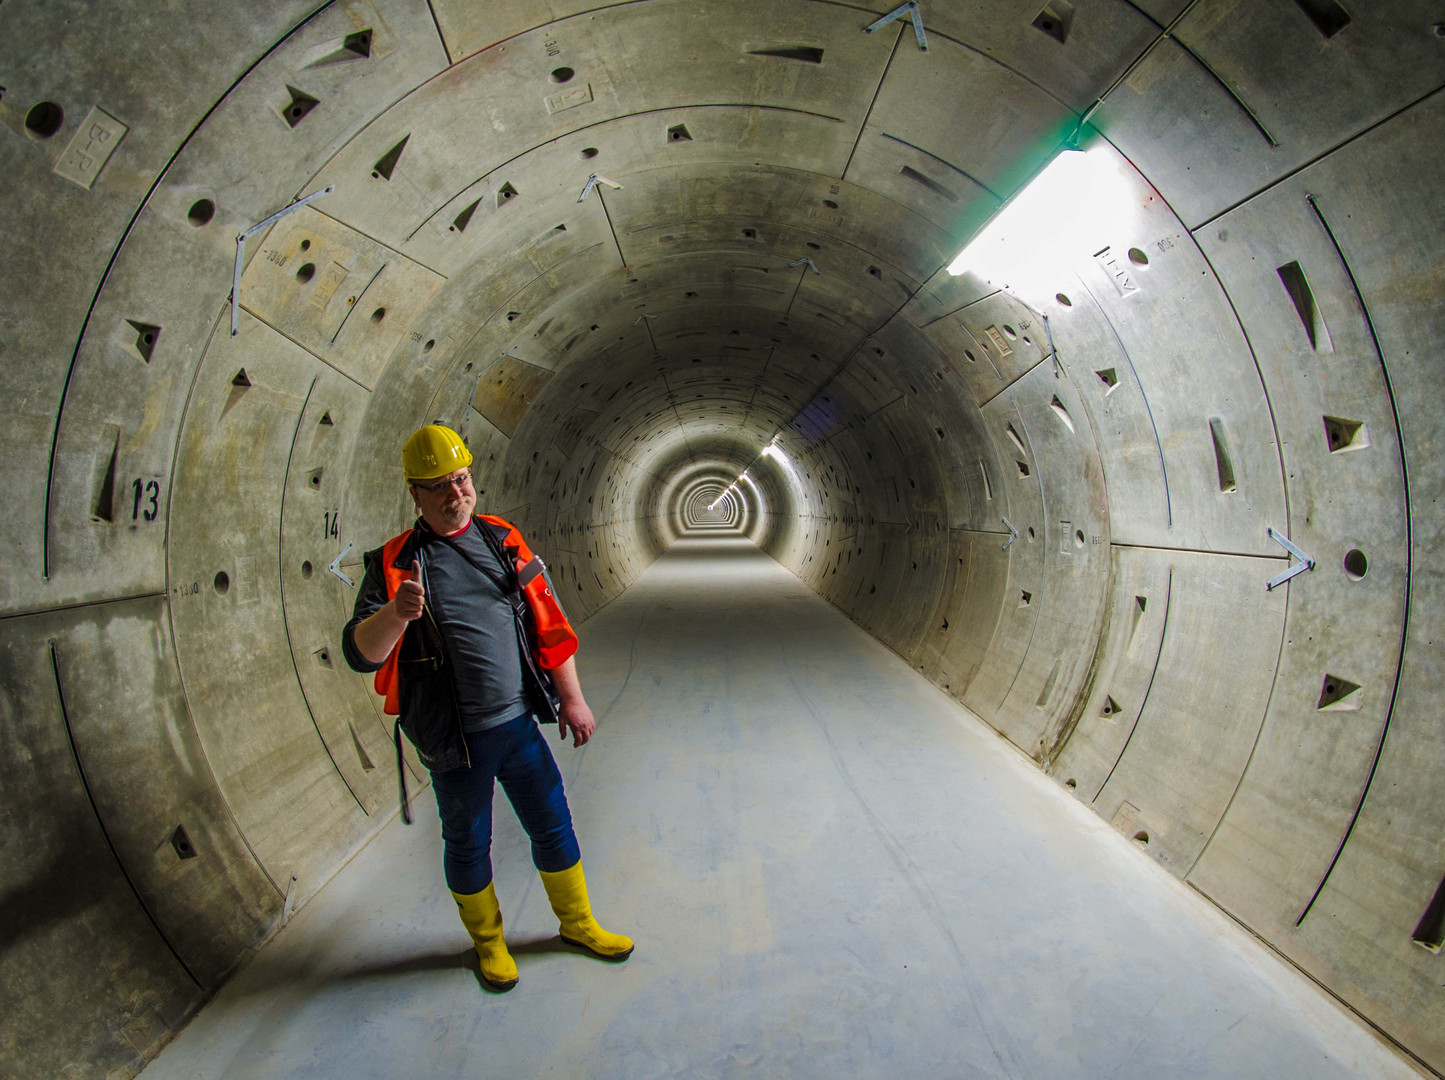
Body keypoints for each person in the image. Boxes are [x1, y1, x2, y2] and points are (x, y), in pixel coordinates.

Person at [342, 424, 632, 991]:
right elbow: (360, 653)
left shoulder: (502, 540)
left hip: (518, 726)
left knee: (552, 823)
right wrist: (397, 613)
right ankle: (490, 944)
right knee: (469, 841)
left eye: (462, 479)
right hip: (455, 741)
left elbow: (550, 624)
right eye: (440, 487)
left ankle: (577, 924)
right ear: (415, 495)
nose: (456, 495)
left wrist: (571, 699)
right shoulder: (393, 564)